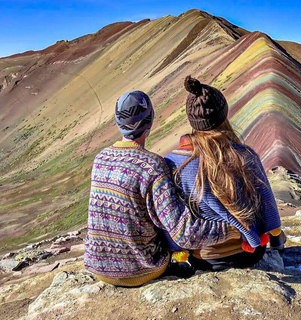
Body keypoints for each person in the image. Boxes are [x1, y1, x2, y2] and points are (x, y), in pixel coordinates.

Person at [84, 90, 230, 286]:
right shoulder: (152, 166)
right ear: (150, 120)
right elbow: (183, 232)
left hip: (97, 268)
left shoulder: (100, 158)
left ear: (118, 122)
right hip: (140, 270)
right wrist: (229, 228)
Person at [165, 76, 285, 271]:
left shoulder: (173, 163)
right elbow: (267, 202)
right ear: (224, 114)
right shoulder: (244, 154)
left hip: (203, 258)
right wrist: (277, 243)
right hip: (249, 253)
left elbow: (170, 214)